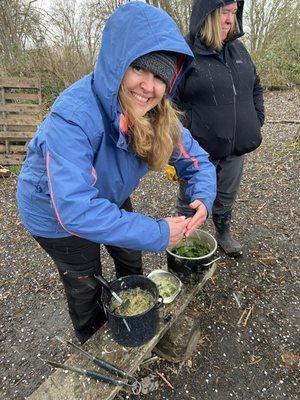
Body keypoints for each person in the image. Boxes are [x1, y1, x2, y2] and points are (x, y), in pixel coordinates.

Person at [16, 1, 216, 344]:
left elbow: (197, 161)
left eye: (159, 77)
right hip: (52, 211)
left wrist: (202, 196)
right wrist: (157, 232)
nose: (147, 87)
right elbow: (75, 210)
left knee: (128, 253)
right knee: (86, 279)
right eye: (139, 69)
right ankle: (94, 340)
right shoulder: (74, 116)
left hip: (107, 193)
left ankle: (137, 306)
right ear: (117, 64)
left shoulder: (157, 114)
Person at [174, 0, 265, 257]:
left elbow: (256, 86)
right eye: (224, 12)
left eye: (234, 13)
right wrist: (188, 136)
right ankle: (185, 240)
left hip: (236, 148)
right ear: (206, 14)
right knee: (192, 198)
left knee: (226, 195)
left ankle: (223, 232)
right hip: (198, 151)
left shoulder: (239, 50)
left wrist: (256, 118)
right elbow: (169, 103)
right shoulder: (184, 53)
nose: (230, 20)